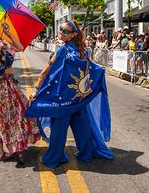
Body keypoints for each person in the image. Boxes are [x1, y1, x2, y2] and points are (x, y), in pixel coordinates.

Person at [26, 20, 113, 169]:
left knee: (59, 130)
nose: (61, 32)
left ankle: (55, 157)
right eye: (61, 29)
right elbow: (90, 71)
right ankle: (87, 153)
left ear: (73, 34)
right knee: (82, 126)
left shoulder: (62, 50)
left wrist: (36, 89)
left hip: (62, 100)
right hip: (77, 98)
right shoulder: (83, 51)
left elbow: (46, 71)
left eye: (65, 31)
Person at [0, 9, 39, 164]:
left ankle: (9, 148)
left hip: (10, 83)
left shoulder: (2, 41)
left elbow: (19, 48)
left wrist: (8, 33)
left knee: (21, 110)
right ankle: (2, 151)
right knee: (1, 117)